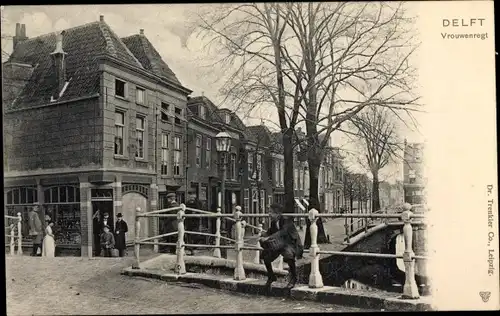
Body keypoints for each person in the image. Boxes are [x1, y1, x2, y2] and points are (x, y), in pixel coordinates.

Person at [259, 203, 304, 290]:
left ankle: (294, 278)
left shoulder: (286, 220)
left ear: (278, 214)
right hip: (279, 244)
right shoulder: (273, 222)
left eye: (271, 212)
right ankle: (271, 276)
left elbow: (282, 232)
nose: (269, 214)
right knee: (266, 256)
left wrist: (268, 238)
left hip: (291, 243)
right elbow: (270, 231)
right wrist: (263, 235)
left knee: (288, 255)